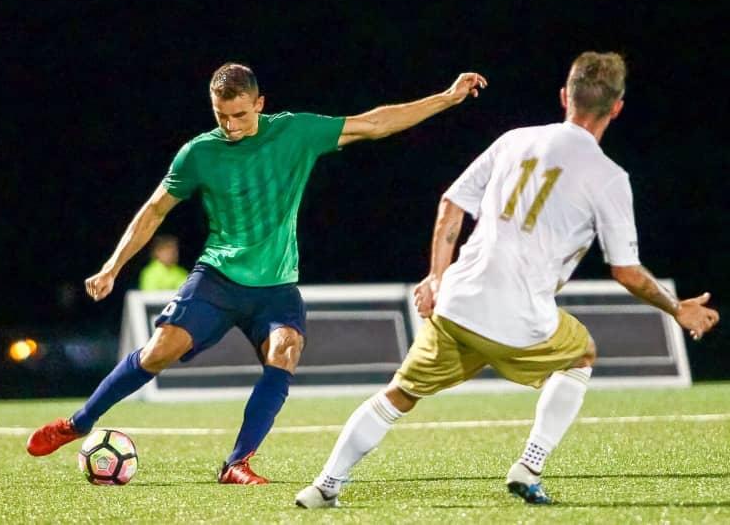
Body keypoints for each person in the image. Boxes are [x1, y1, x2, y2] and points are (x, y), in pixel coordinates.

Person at [26, 62, 488, 484]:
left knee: (285, 351)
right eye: (221, 116)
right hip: (217, 278)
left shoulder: (295, 132)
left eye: (240, 115)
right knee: (158, 352)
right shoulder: (198, 153)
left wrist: (447, 98)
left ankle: (237, 463)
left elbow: (374, 123)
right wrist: (112, 266)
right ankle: (78, 424)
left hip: (276, 288)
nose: (230, 126)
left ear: (260, 104)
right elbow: (154, 210)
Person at [295, 51, 719, 507]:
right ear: (616, 108)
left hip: (457, 302)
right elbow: (626, 271)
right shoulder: (609, 177)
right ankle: (529, 465)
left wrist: (436, 277)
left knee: (398, 394)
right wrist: (677, 308)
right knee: (580, 356)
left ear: (565, 96)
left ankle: (324, 485)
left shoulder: (515, 140)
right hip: (522, 317)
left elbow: (451, 204)